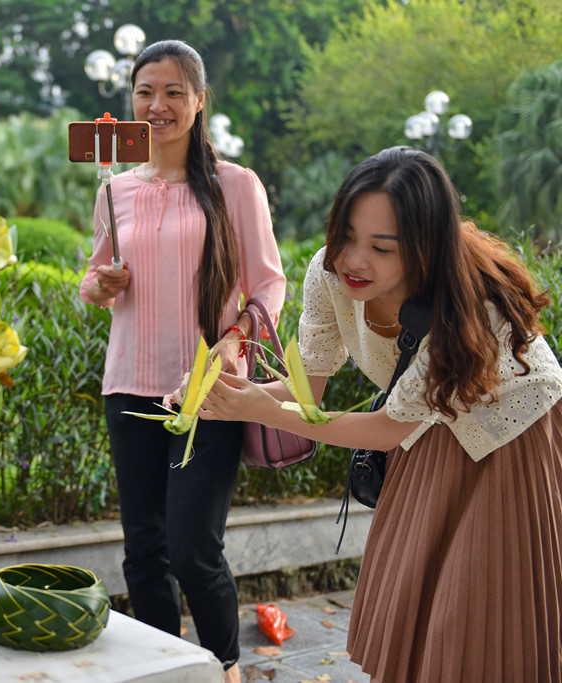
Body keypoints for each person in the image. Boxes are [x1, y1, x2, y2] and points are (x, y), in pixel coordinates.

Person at [199, 146, 562, 682]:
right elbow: (309, 392)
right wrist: (225, 392)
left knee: (476, 613)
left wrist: (259, 411)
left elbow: (388, 430)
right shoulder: (329, 275)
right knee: (414, 597)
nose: (354, 260)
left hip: (508, 440)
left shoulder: (469, 305)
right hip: (425, 426)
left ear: (426, 250)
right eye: (347, 235)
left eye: (382, 247)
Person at [79, 39, 286, 681]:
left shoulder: (235, 185)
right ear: (131, 102)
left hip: (210, 389)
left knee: (194, 545)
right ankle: (164, 668)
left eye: (173, 92)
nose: (158, 104)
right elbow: (93, 275)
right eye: (145, 92)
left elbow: (270, 282)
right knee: (144, 548)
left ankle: (223, 666)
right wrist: (98, 286)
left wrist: (237, 339)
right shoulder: (116, 188)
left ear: (199, 101)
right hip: (129, 386)